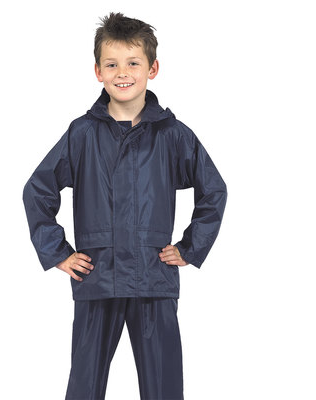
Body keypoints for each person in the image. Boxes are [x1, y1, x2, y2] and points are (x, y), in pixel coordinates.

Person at [22, 11, 227, 400]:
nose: (122, 73)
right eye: (112, 64)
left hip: (154, 276)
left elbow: (213, 190)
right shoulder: (82, 134)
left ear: (153, 68)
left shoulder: (172, 135)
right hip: (97, 275)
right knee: (85, 384)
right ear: (98, 71)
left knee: (163, 385)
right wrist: (58, 253)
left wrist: (190, 248)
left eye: (133, 63)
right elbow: (38, 190)